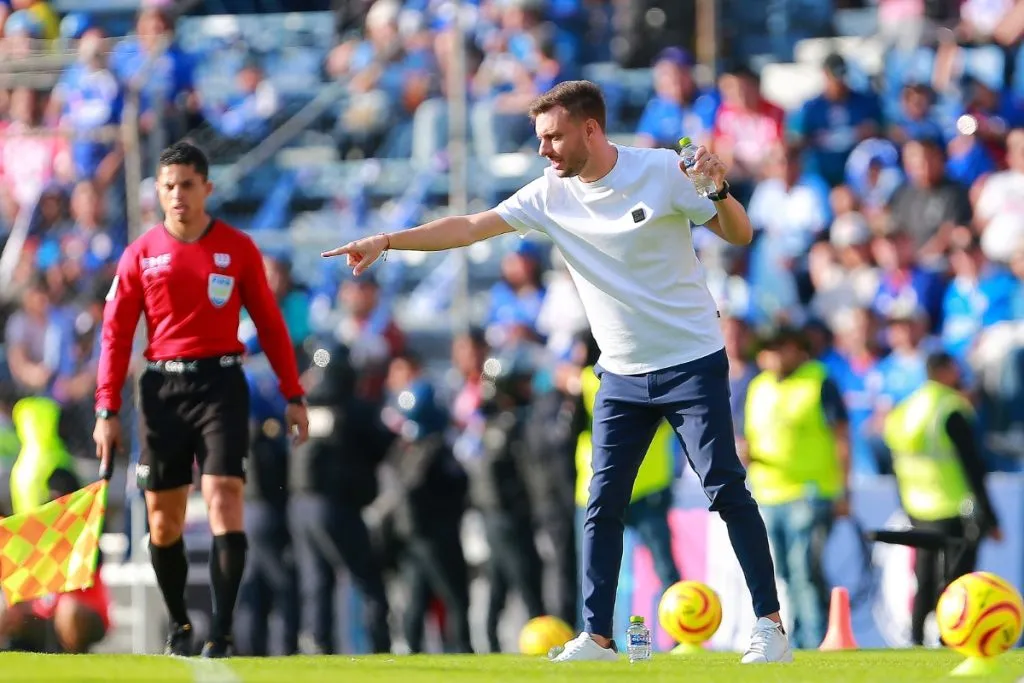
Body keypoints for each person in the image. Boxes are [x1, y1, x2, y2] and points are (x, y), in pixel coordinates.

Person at [323, 80, 792, 664]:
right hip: (619, 373)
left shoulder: (662, 171)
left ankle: (770, 628)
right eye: (540, 138)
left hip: (691, 360)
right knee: (601, 501)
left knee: (723, 486)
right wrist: (388, 240)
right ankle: (597, 637)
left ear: (590, 130)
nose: (543, 150)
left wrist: (718, 189)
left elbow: (739, 232)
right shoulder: (549, 194)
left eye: (552, 136)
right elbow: (470, 227)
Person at [93, 141, 309, 658]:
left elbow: (272, 326)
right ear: (158, 193)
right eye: (168, 186)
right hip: (163, 391)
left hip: (221, 385)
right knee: (163, 519)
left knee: (223, 498)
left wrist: (293, 393)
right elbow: (116, 335)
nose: (177, 195)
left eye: (187, 184)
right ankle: (178, 626)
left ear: (206, 188)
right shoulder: (140, 255)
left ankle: (222, 628)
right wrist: (106, 410)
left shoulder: (237, 249)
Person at [741, 327, 850, 649]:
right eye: (767, 349)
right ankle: (801, 640)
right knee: (787, 575)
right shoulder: (757, 386)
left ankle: (816, 641)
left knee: (805, 571)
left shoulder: (819, 381)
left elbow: (842, 438)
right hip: (769, 493)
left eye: (779, 347)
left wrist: (844, 491)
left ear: (798, 349)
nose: (772, 355)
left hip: (810, 492)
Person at [883, 351, 1002, 646]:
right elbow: (972, 466)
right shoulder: (950, 407)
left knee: (923, 574)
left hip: (917, 506)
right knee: (958, 578)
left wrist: (904, 503)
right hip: (957, 504)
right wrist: (989, 515)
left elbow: (895, 463)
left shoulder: (904, 409)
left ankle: (915, 639)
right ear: (945, 371)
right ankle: (951, 635)